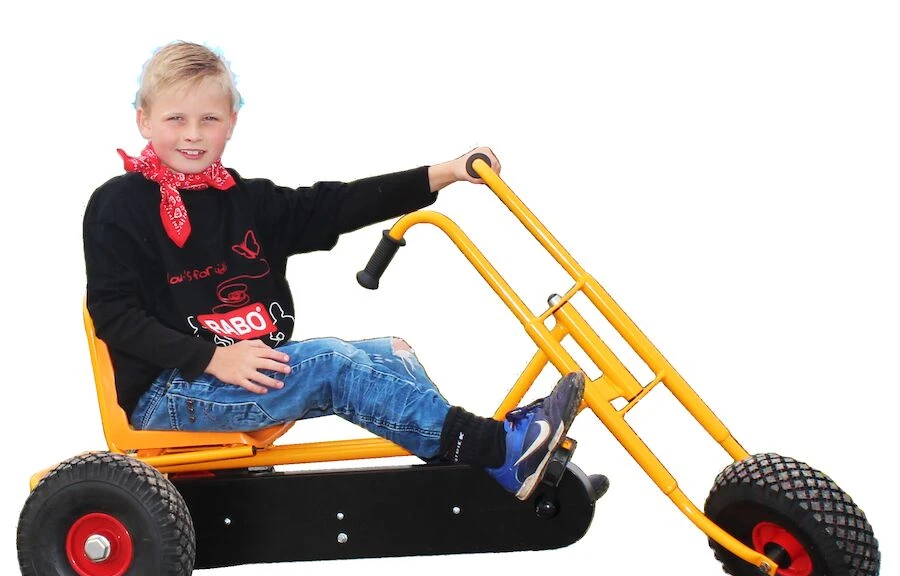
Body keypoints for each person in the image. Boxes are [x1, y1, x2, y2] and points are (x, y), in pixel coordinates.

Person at [83, 40, 584, 501]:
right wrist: (212, 358)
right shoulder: (119, 205)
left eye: (208, 119)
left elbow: (335, 205)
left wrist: (448, 172)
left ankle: (479, 476)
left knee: (390, 355)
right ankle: (493, 450)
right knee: (330, 363)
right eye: (176, 119)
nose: (193, 134)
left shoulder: (244, 199)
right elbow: (113, 314)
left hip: (243, 370)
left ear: (231, 122)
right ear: (144, 121)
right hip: (172, 390)